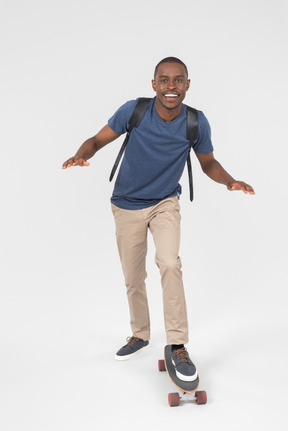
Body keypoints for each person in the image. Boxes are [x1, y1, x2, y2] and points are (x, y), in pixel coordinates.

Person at [62, 57, 255, 382]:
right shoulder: (134, 111)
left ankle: (178, 344)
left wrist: (230, 181)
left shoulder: (196, 121)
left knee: (169, 263)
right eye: (164, 80)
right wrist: (83, 154)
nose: (171, 86)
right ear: (154, 85)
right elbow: (96, 139)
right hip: (126, 204)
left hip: (165, 202)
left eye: (178, 80)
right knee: (134, 276)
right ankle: (140, 334)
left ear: (187, 85)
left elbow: (208, 163)